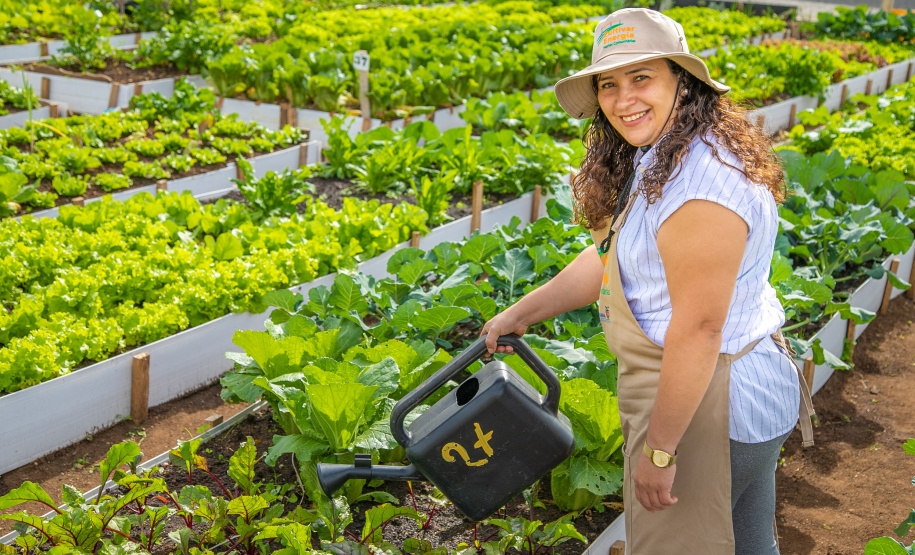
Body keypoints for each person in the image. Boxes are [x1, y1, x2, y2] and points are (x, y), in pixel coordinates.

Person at [480, 8, 815, 555]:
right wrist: (522, 312)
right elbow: (613, 258)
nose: (622, 98)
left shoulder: (700, 186)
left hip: (708, 407)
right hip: (734, 394)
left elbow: (700, 331)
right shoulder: (665, 156)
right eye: (608, 84)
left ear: (682, 82)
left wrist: (660, 452)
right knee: (752, 546)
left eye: (642, 78)